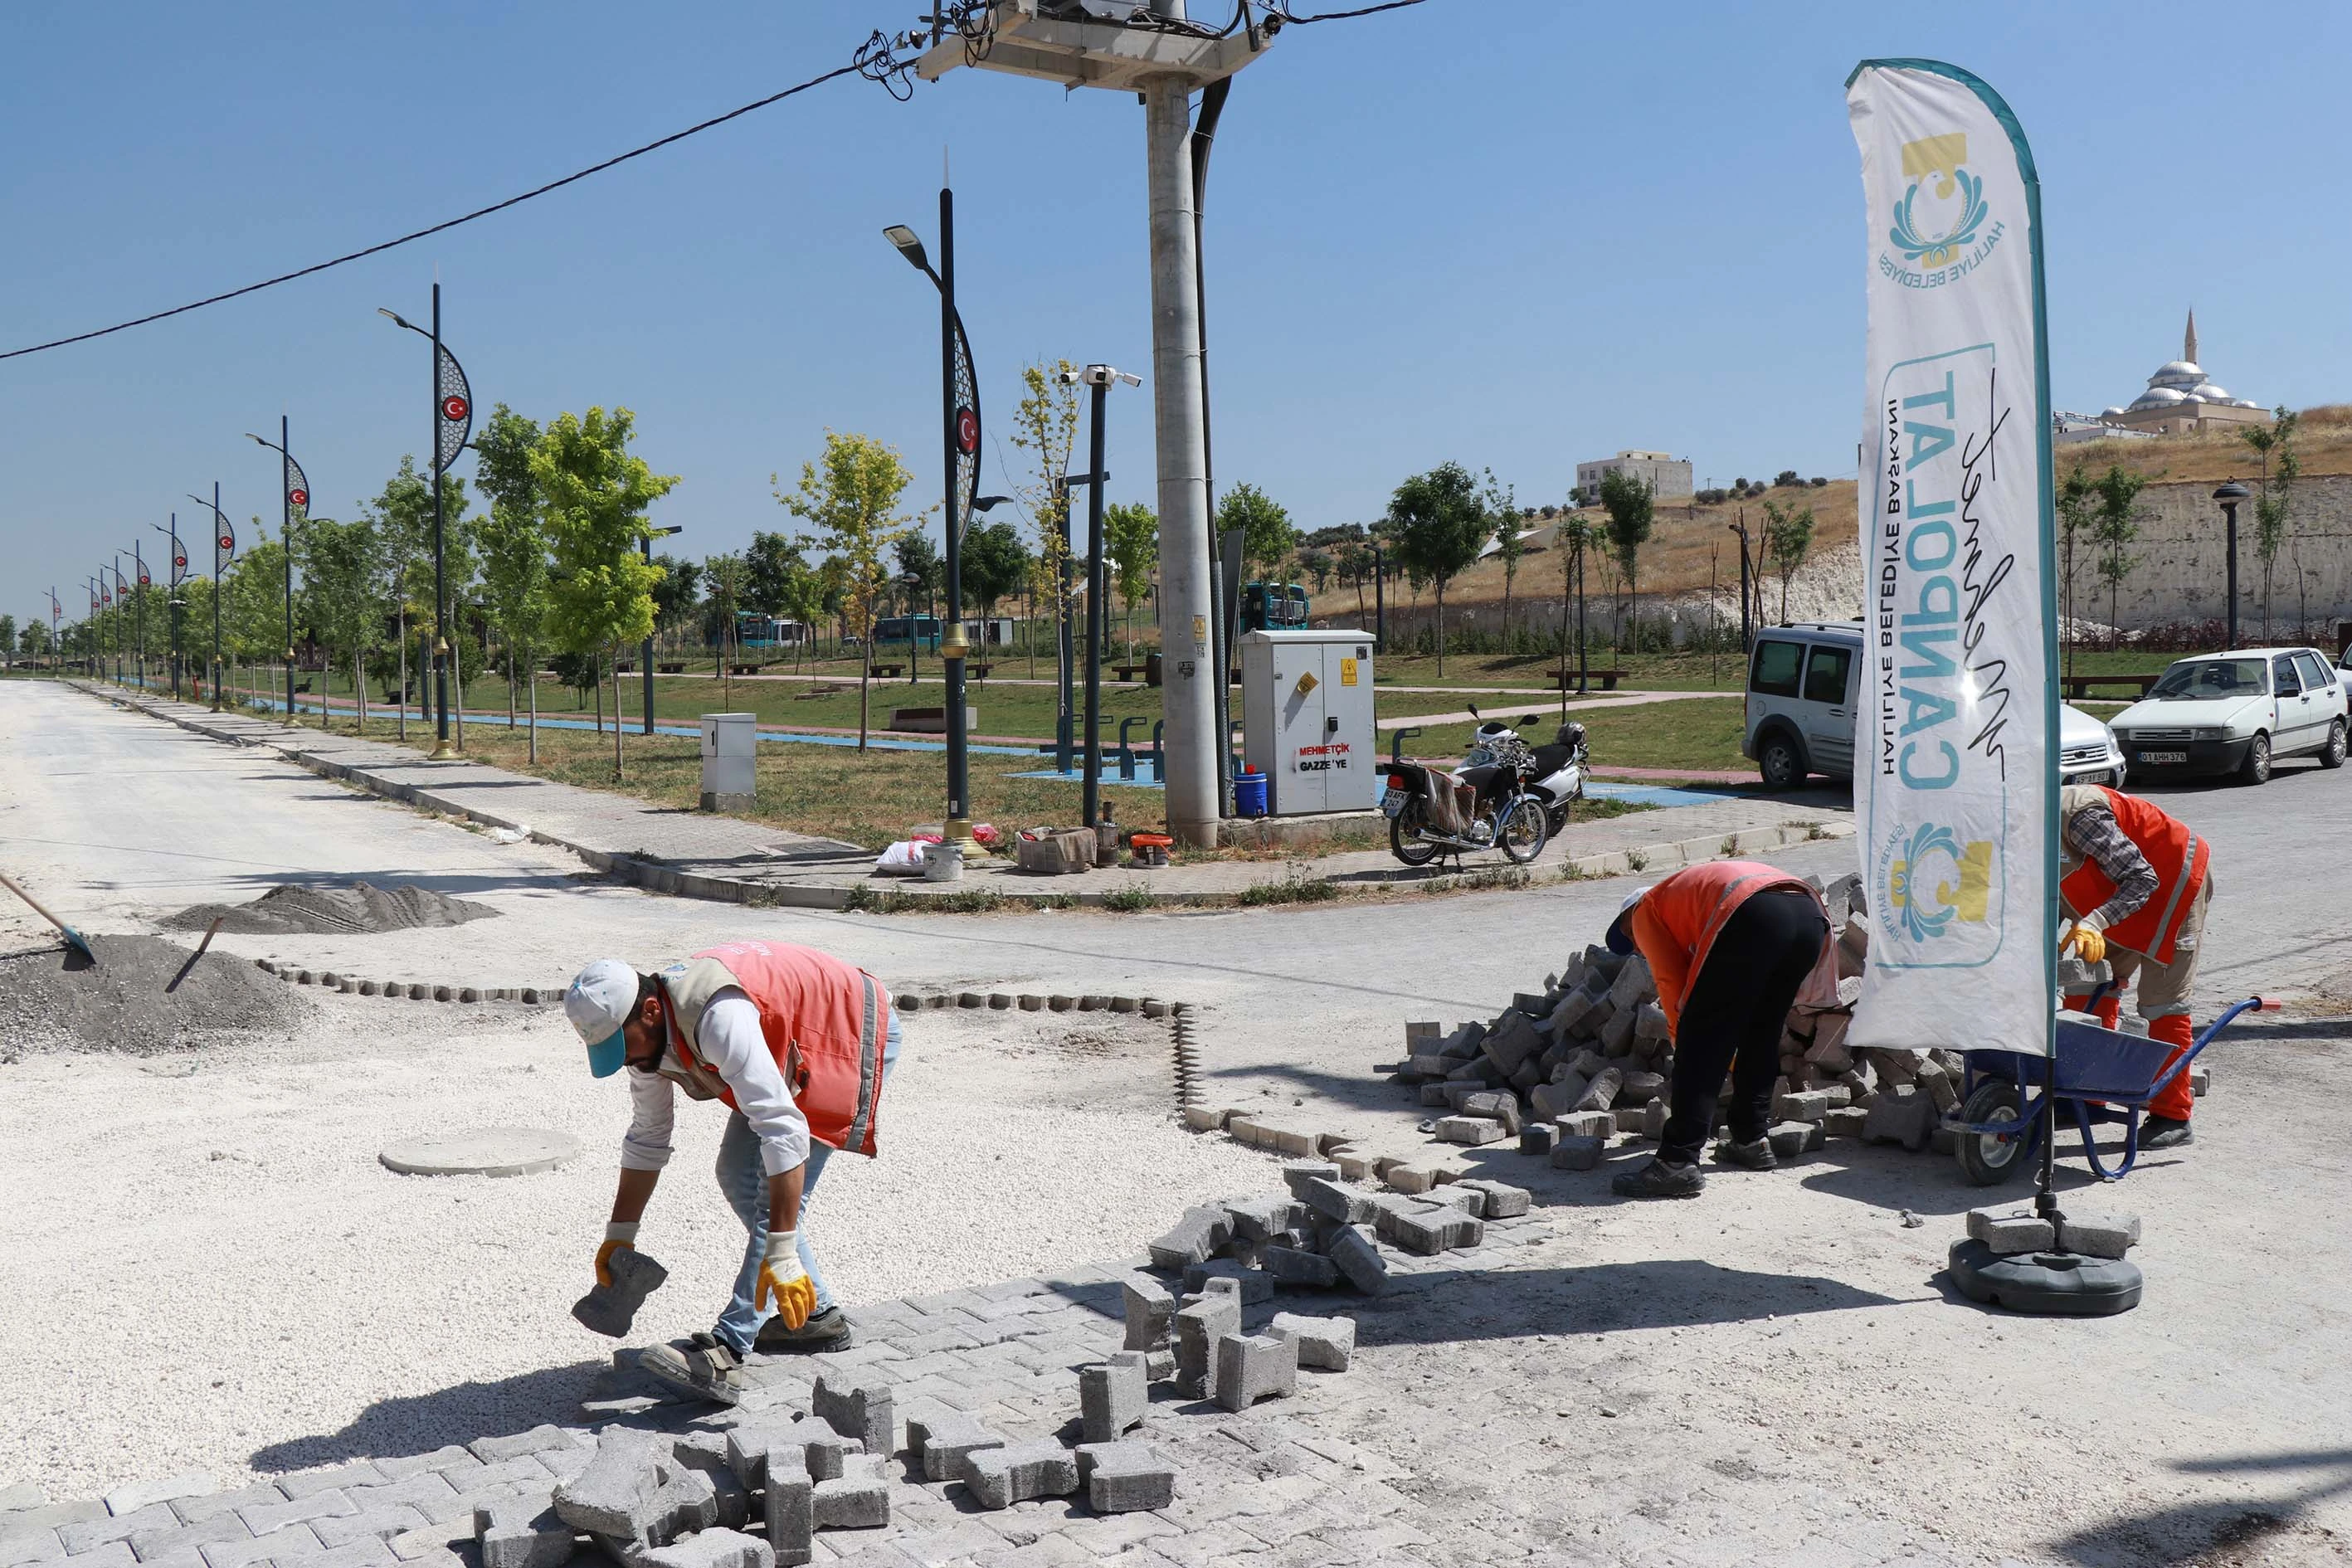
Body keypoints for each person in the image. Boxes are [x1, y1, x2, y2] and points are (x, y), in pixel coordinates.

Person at [565, 940, 900, 1404]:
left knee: (774, 1206)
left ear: (649, 1011)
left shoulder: (716, 1018)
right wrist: (619, 1235)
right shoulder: (647, 1044)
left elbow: (784, 1132)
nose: (624, 1060)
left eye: (622, 1047)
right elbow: (648, 1137)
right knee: (736, 1173)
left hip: (843, 1029)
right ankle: (817, 1317)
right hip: (786, 1040)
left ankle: (726, 1349)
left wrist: (782, 1249)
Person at [1605, 863, 1835, 1200]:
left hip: (1754, 912)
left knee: (1702, 1036)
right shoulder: (1685, 900)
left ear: (1629, 921)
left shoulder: (1646, 911)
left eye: (1631, 940)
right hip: (1807, 915)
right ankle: (1750, 1139)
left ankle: (1677, 1163)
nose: (1638, 948)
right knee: (1762, 1028)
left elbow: (1673, 989)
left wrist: (1688, 1050)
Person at [2057, 782, 2210, 1149]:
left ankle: (2173, 1114)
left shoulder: (2078, 816)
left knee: (2161, 1003)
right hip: (2112, 892)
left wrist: (2094, 921)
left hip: (2174, 882)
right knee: (2085, 985)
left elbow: (2143, 879)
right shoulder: (2010, 829)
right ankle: (2085, 1097)